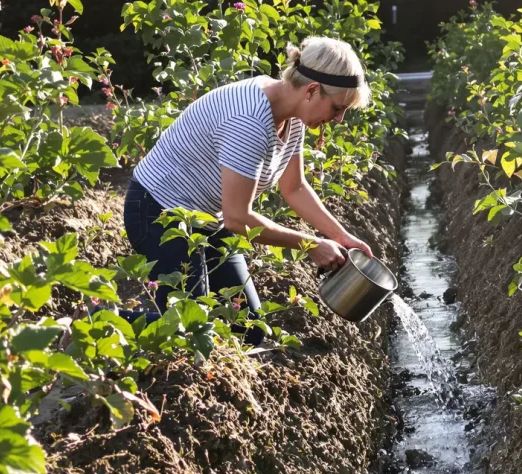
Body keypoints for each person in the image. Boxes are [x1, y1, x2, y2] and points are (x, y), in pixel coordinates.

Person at [120, 37, 375, 346]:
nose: (339, 118)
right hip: (157, 211)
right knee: (191, 331)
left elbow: (293, 187)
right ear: (311, 90)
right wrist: (312, 246)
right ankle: (98, 321)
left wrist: (340, 237)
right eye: (337, 108)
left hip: (205, 219)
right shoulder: (250, 119)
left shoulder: (292, 115)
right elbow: (238, 219)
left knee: (248, 329)